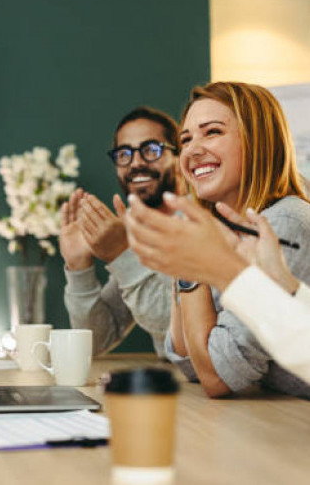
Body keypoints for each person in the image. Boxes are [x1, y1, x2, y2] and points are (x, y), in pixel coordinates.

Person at [152, 81, 310, 398]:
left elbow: (216, 376)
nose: (193, 150)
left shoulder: (283, 222)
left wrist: (193, 264)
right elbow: (186, 358)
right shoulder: (222, 228)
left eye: (212, 132)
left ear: (257, 141)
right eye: (185, 139)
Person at [125, 192, 310, 385]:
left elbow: (215, 375)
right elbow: (190, 363)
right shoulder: (236, 232)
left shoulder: (285, 219)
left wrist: (226, 273)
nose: (191, 159)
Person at [59, 106, 185, 356]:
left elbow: (179, 329)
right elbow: (96, 341)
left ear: (180, 156)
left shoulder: (205, 223)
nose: (136, 163)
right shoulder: (141, 232)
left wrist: (121, 254)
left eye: (150, 150)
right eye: (124, 154)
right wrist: (78, 266)